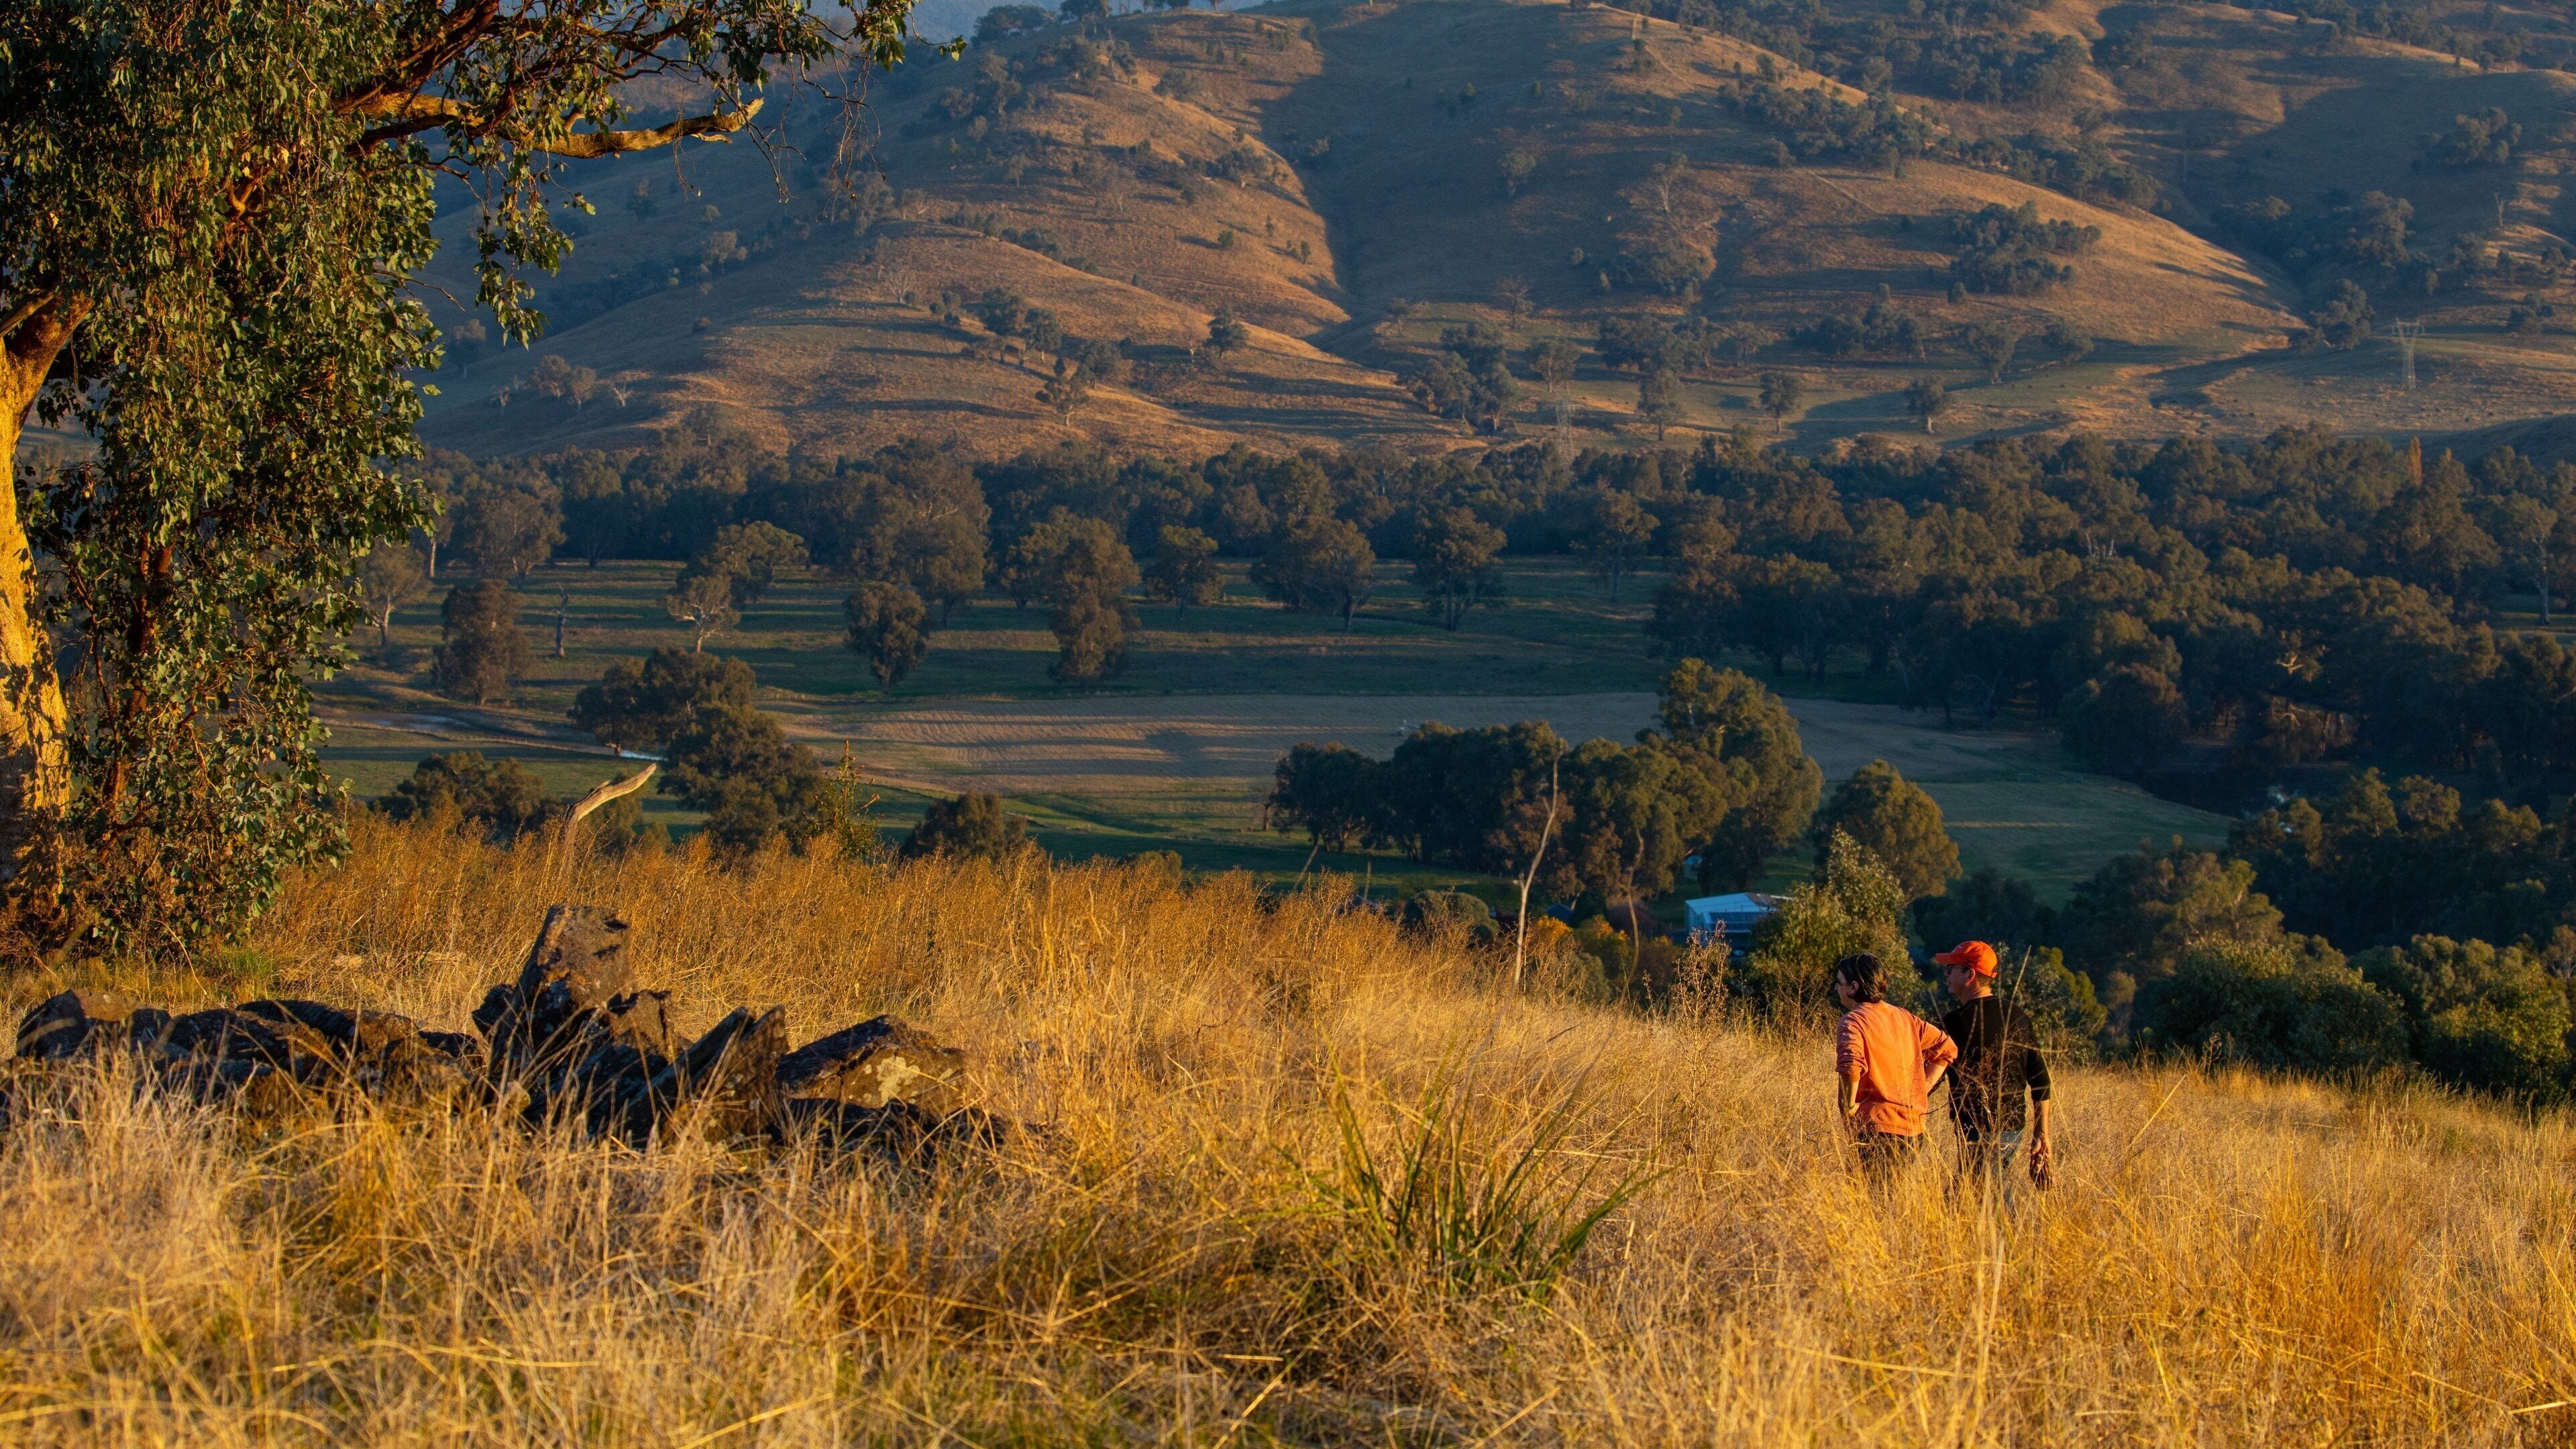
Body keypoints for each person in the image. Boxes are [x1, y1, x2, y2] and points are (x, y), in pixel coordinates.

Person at [1933, 940, 2055, 1193]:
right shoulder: (2017, 1015)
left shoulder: (1955, 1023)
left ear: (1970, 975)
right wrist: (2041, 1133)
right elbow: (2041, 1080)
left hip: (1977, 1129)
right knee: (1973, 1193)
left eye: (1951, 969)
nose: (1946, 975)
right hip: (2013, 1128)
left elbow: (1931, 1078)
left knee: (1988, 1197)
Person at [1831, 951, 1957, 1181]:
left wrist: (1848, 1110)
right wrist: (1922, 1087)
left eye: (1840, 983)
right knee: (1892, 1197)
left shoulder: (1852, 1021)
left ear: (1853, 987)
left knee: (1867, 1198)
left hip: (1876, 1129)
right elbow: (1947, 1048)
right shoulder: (1905, 1018)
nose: (1836, 988)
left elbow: (1850, 1067)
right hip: (1913, 1129)